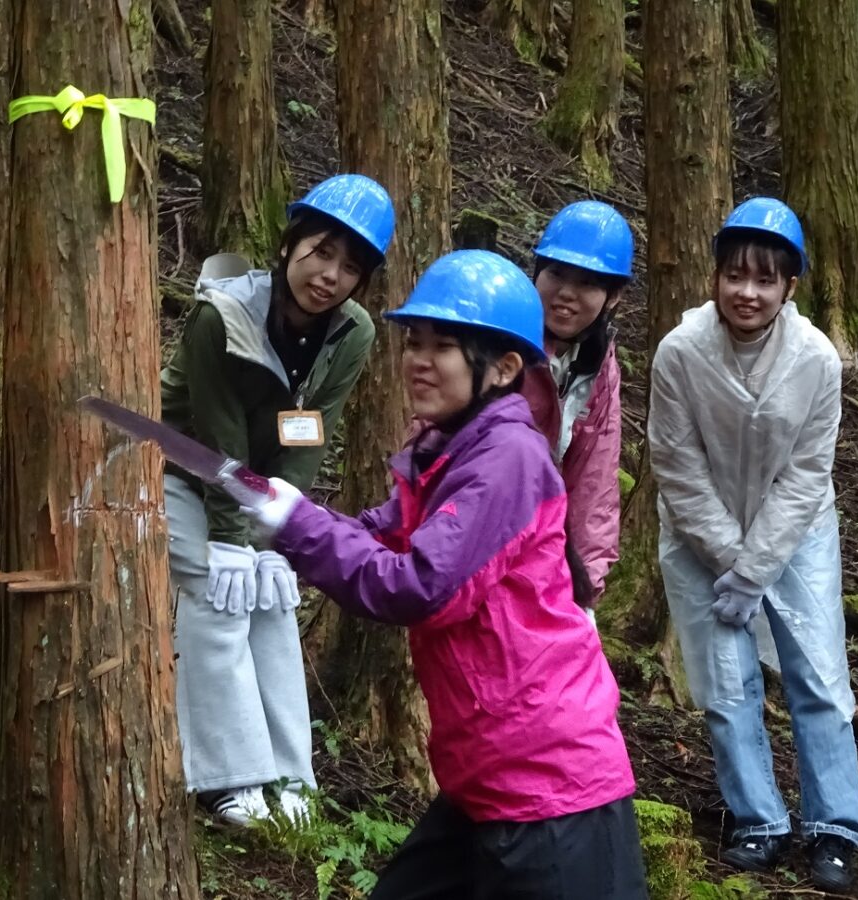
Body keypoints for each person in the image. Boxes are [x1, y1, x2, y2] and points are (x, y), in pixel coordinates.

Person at [242, 250, 648, 898]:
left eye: (444, 346)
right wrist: (293, 521)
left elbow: (421, 586)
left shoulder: (507, 457)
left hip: (551, 789)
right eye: (415, 343)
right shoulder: (448, 448)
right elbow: (384, 531)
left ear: (504, 368)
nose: (419, 360)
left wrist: (300, 528)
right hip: (484, 778)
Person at [159, 173, 394, 826]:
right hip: (175, 467)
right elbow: (217, 430)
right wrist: (232, 538)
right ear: (289, 245)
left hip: (255, 484)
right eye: (321, 252)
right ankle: (226, 776)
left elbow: (310, 430)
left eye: (351, 267)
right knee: (217, 586)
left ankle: (291, 777)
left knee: (272, 597)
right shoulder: (222, 314)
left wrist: (281, 530)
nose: (330, 276)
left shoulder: (352, 334)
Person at [649, 197, 858, 893]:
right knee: (723, 680)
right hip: (697, 532)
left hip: (797, 533)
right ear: (715, 278)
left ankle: (835, 826)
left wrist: (757, 568)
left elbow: (807, 475)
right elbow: (676, 463)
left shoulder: (816, 359)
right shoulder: (681, 351)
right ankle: (758, 819)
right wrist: (729, 560)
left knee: (818, 672)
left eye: (765, 279)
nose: (747, 292)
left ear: (789, 287)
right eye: (735, 275)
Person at [521, 200, 633, 607]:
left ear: (612, 297)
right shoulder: (502, 342)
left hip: (543, 540)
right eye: (556, 274)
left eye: (587, 283)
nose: (566, 294)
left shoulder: (598, 365)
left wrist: (587, 582)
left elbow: (595, 477)